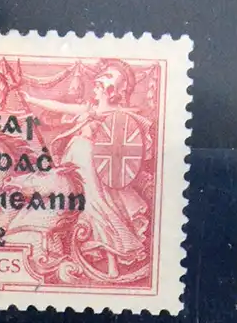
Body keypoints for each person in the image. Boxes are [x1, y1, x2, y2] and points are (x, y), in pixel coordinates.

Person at [23, 61, 151, 273]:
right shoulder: (89, 109)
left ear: (112, 91)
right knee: (73, 206)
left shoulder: (117, 114)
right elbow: (59, 107)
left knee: (98, 207)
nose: (96, 88)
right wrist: (31, 99)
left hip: (90, 165)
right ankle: (69, 253)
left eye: (101, 85)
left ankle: (112, 265)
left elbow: (125, 136)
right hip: (74, 160)